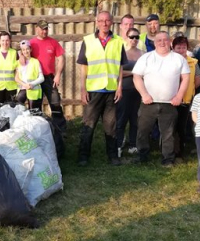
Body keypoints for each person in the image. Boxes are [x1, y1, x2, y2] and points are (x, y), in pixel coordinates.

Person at [77, 10, 127, 166]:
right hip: (93, 91)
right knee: (88, 125)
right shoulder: (88, 41)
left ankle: (112, 156)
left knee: (111, 126)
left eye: (107, 20)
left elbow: (120, 66)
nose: (104, 23)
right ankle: (83, 156)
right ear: (97, 22)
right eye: (101, 20)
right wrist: (83, 89)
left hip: (111, 91)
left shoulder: (118, 41)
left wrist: (119, 87)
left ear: (111, 22)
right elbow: (83, 67)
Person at [132, 31, 190, 166]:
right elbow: (136, 77)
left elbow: (186, 78)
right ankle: (142, 156)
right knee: (143, 130)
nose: (162, 43)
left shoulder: (178, 59)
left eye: (165, 40)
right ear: (154, 43)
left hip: (170, 103)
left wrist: (179, 96)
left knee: (168, 133)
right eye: (159, 40)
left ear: (170, 41)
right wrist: (144, 94)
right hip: (148, 102)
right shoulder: (146, 58)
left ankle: (168, 159)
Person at [29, 20, 67, 133]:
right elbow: (24, 59)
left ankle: (61, 130)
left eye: (46, 29)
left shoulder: (53, 42)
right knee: (35, 105)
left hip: (50, 78)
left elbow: (61, 59)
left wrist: (58, 75)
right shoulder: (31, 43)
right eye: (42, 29)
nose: (44, 31)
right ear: (36, 28)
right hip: (35, 79)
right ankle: (36, 130)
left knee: (55, 103)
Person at [171, 35, 200, 160]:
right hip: (170, 99)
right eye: (178, 48)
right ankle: (169, 151)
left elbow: (197, 81)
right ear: (173, 48)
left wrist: (188, 89)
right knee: (170, 126)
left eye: (183, 47)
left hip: (186, 100)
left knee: (181, 126)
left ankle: (180, 152)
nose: (181, 50)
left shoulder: (193, 63)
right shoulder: (168, 60)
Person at [116, 27, 143, 157]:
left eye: (136, 37)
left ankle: (133, 145)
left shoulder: (143, 54)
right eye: (131, 37)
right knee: (121, 118)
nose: (134, 40)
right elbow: (117, 72)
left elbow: (146, 72)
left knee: (135, 119)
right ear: (126, 38)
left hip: (138, 91)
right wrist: (134, 73)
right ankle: (119, 145)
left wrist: (132, 74)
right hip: (124, 90)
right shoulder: (122, 53)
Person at [0, 31, 19, 104]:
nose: (5, 43)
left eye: (7, 40)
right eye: (3, 40)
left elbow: (21, 67)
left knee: (11, 111)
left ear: (10, 41)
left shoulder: (15, 53)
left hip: (11, 87)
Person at [14, 40, 44, 110]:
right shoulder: (19, 62)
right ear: (21, 51)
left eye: (27, 49)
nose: (26, 51)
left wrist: (32, 84)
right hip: (23, 89)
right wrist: (24, 85)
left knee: (34, 113)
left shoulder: (35, 62)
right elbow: (16, 78)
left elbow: (42, 78)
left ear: (30, 49)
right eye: (23, 50)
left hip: (34, 90)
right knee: (17, 109)